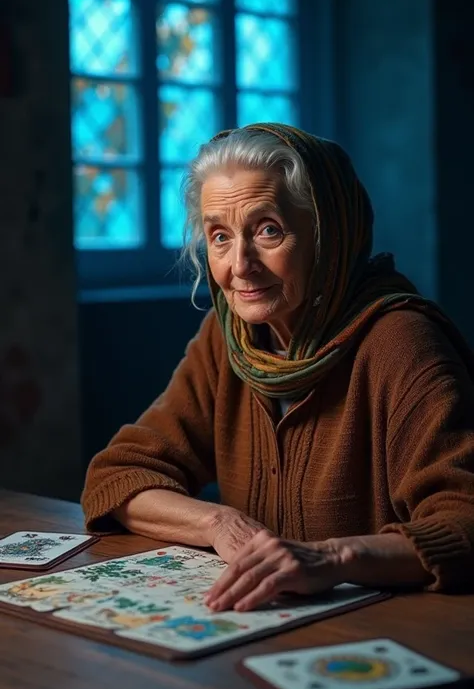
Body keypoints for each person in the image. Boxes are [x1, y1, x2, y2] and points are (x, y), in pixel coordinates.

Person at [81, 123, 474, 612]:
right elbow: (118, 476)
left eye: (268, 229)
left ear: (326, 236)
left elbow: (464, 520)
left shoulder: (400, 341)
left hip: (384, 634)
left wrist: (333, 557)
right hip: (259, 626)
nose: (240, 265)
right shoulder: (230, 341)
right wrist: (217, 524)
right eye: (219, 236)